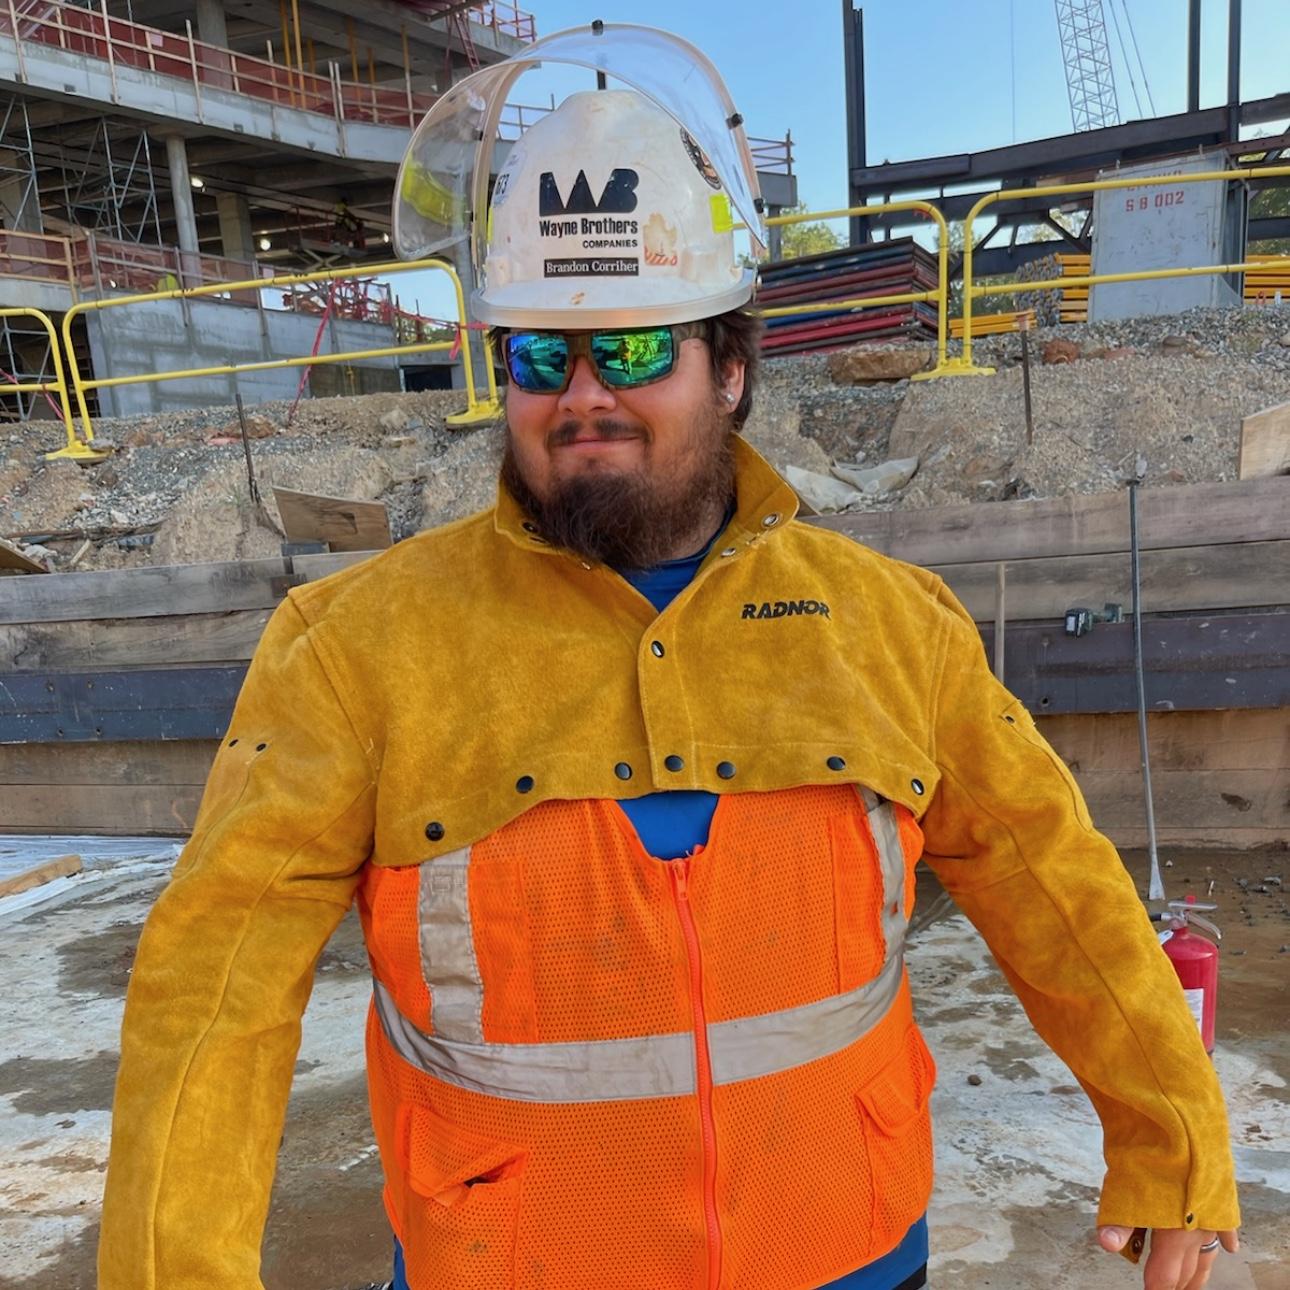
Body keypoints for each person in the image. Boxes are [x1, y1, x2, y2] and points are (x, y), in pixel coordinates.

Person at [99, 24, 1239, 1290]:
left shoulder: (890, 627)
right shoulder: (357, 651)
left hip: (852, 1255)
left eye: (637, 348)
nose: (584, 393)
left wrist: (1176, 1138)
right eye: (541, 355)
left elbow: (1055, 885)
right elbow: (214, 985)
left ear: (732, 370)